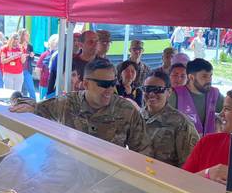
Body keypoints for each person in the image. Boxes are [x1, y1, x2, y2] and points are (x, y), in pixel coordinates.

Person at [11, 58, 151, 154]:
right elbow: (35, 107)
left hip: (106, 181)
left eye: (113, 83)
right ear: (86, 84)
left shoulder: (127, 111)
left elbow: (143, 151)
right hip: (69, 177)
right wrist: (28, 106)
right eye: (103, 84)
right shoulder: (66, 103)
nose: (110, 89)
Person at [141, 71, 200, 167]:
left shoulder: (181, 123)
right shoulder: (136, 117)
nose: (151, 93)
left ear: (169, 92)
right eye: (147, 89)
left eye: (158, 90)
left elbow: (189, 164)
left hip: (165, 175)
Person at [168, 59, 224, 136]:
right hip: (184, 142)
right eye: (204, 76)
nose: (209, 80)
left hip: (209, 142)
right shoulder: (175, 95)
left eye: (210, 76)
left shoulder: (214, 93)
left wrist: (218, 121)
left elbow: (228, 112)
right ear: (191, 77)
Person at [47, 31, 96, 96]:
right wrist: (49, 93)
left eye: (78, 40)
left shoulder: (93, 60)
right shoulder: (60, 56)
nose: (76, 43)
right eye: (74, 40)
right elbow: (53, 75)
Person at [37, 34, 58, 99]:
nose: (57, 44)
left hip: (53, 85)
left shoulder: (58, 54)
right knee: (43, 102)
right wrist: (42, 79)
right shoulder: (44, 54)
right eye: (56, 42)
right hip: (44, 84)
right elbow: (38, 69)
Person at [19, 29, 37, 99]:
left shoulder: (30, 46)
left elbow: (32, 59)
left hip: (27, 70)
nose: (28, 36)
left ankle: (34, 103)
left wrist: (32, 56)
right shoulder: (18, 45)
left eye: (28, 34)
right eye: (26, 35)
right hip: (18, 70)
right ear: (22, 36)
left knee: (31, 89)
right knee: (22, 90)